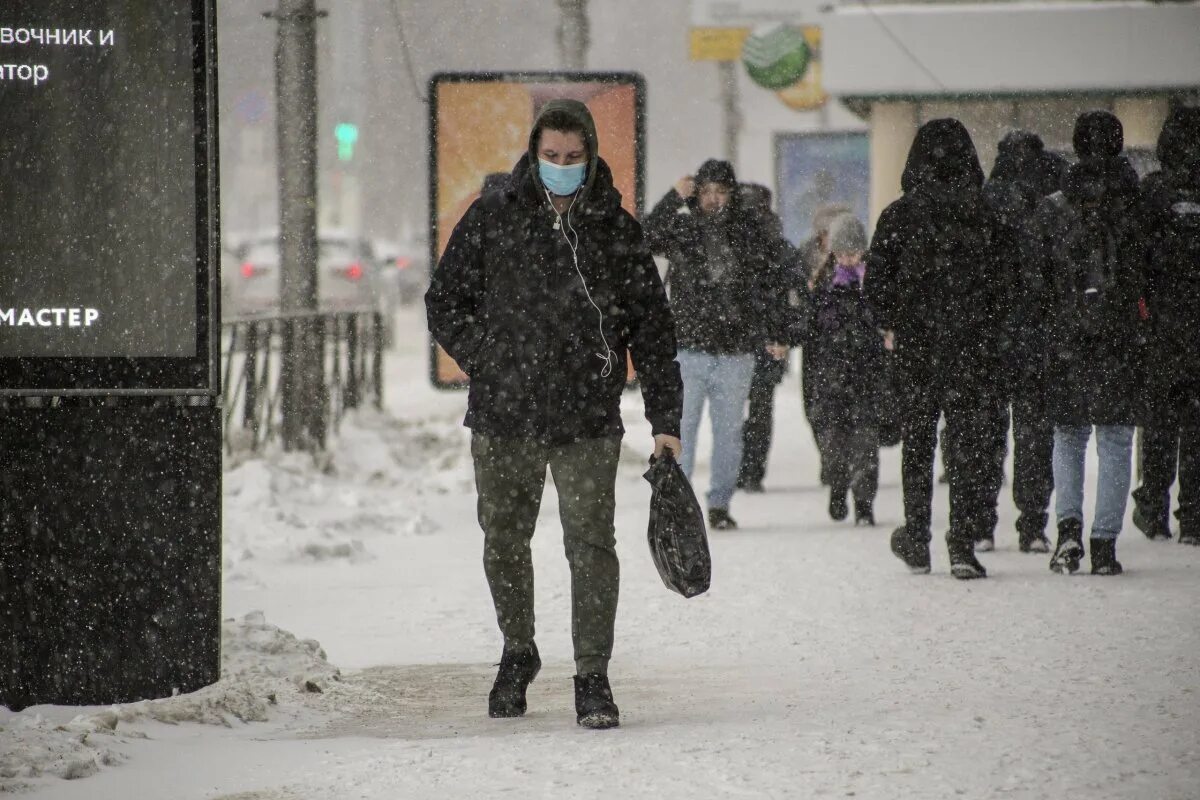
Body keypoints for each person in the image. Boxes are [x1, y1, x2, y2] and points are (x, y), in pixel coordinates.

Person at [425, 100, 683, 729]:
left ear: (591, 156)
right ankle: (518, 652)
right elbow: (444, 300)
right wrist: (488, 356)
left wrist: (666, 423)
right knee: (504, 541)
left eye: (574, 158)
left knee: (591, 547)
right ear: (534, 154)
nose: (562, 168)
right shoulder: (492, 216)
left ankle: (592, 675)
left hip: (587, 415)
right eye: (552, 157)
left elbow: (653, 331)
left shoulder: (616, 231)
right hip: (504, 414)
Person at [866, 118, 1008, 580]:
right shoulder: (987, 213)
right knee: (966, 445)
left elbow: (877, 287)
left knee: (919, 443)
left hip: (917, 348)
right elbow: (1011, 284)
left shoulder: (900, 215)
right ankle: (963, 543)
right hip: (973, 348)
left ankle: (918, 537)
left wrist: (891, 322)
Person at [645, 160, 791, 530]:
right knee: (681, 432)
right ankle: (681, 503)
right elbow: (643, 235)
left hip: (735, 352)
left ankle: (719, 504)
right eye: (706, 191)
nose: (713, 199)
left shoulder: (749, 232)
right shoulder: (682, 227)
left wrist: (777, 331)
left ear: (731, 194)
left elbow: (769, 285)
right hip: (689, 349)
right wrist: (671, 198)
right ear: (696, 193)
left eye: (720, 191)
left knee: (729, 434)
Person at [1030, 110, 1145, 575]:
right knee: (1116, 439)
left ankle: (1068, 531)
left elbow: (1036, 278)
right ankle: (1105, 544)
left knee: (1069, 434)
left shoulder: (1056, 205)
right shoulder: (1134, 202)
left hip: (1067, 335)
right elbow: (1147, 274)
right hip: (1121, 335)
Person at [977, 130, 1061, 554]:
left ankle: (981, 521)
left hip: (991, 338)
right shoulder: (1047, 205)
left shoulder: (984, 200)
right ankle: (1032, 524)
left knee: (987, 432)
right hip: (1035, 336)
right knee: (1034, 434)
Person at [1132, 106, 1200, 547]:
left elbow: (1135, 259)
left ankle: (1152, 508)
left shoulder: (1152, 193)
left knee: (1157, 420)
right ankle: (1193, 516)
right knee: (1196, 424)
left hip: (1160, 323)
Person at [806, 212, 885, 525]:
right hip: (831, 374)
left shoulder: (874, 281)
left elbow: (882, 316)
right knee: (834, 442)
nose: (849, 259)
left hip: (866, 373)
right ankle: (838, 488)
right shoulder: (824, 284)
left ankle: (864, 504)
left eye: (854, 252)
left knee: (865, 444)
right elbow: (811, 325)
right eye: (842, 253)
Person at [737, 183, 804, 493]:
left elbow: (794, 297)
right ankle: (750, 471)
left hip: (744, 337)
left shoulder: (734, 241)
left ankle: (741, 468)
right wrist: (785, 335)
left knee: (738, 408)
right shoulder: (780, 245)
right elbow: (796, 297)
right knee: (759, 408)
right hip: (764, 338)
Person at [798, 204, 852, 485]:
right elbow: (796, 293)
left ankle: (841, 460)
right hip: (816, 342)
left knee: (844, 406)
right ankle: (830, 456)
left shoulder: (856, 256)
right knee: (815, 405)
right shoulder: (806, 254)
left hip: (849, 344)